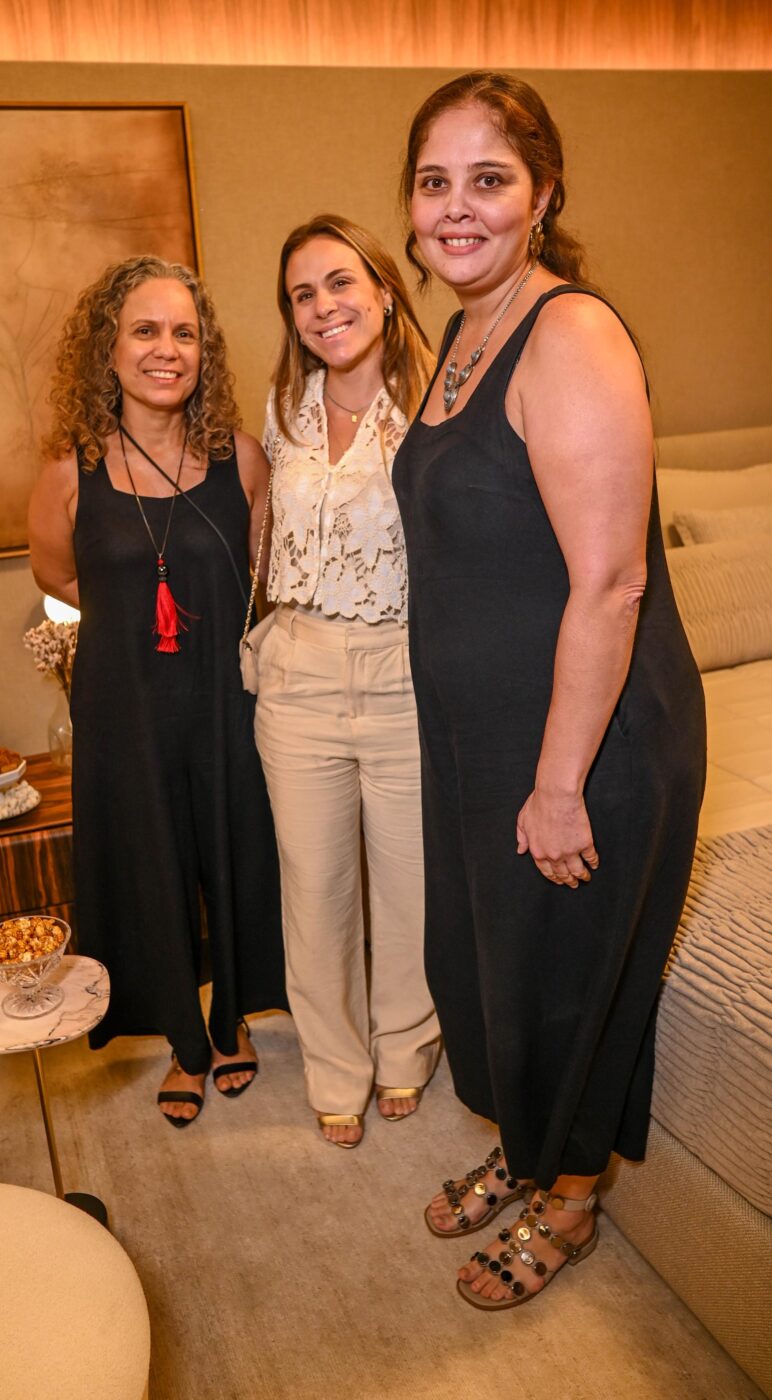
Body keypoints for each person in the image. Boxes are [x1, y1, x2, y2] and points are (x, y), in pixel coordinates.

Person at [390, 72, 705, 1306]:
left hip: (587, 736)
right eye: (432, 181)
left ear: (541, 193)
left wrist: (560, 780)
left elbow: (614, 579)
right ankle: (525, 1149)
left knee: (562, 966)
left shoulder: (567, 331)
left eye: (488, 178)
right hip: (484, 730)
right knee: (488, 961)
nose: (456, 208)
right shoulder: (460, 333)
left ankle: (567, 1201)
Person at [28, 255, 287, 1127]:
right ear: (107, 348)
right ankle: (182, 1036)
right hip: (124, 707)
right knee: (149, 865)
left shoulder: (241, 460)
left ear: (203, 350)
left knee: (238, 851)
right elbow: (61, 577)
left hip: (227, 700)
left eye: (184, 332)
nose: (165, 350)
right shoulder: (71, 470)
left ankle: (232, 1021)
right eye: (144, 330)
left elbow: (260, 575)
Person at [254, 214, 440, 1148]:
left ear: (382, 288)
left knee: (409, 886)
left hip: (407, 671)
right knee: (316, 888)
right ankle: (336, 1065)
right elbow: (262, 535)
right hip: (299, 676)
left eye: (339, 282)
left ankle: (407, 1043)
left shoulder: (442, 402)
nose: (323, 306)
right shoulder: (281, 412)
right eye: (302, 294)